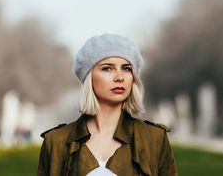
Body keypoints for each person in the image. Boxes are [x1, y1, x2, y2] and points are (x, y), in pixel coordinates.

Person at [37, 34, 177, 176]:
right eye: (107, 68)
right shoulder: (55, 142)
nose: (119, 77)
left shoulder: (154, 138)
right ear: (89, 77)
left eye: (126, 68)